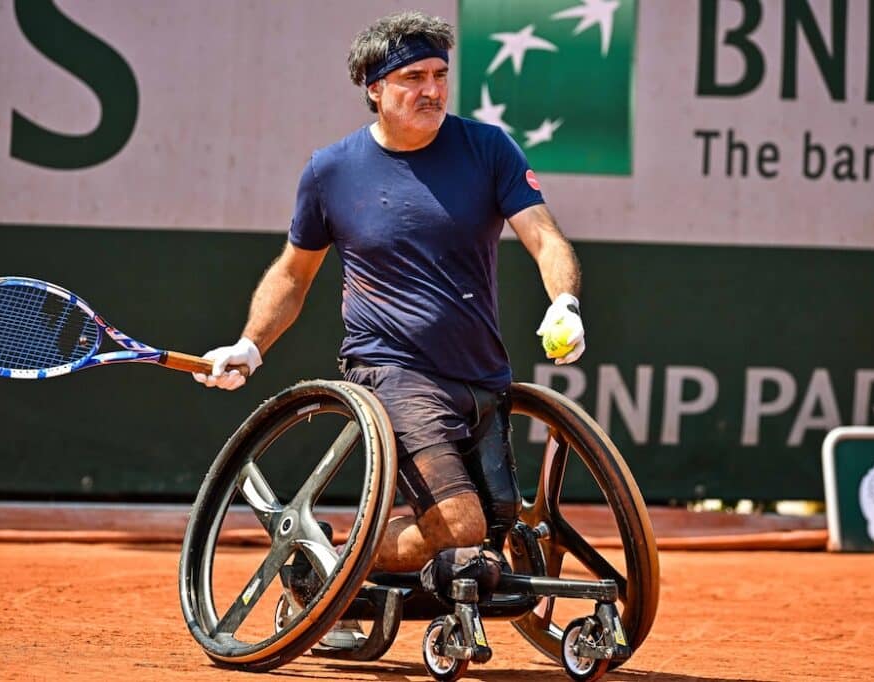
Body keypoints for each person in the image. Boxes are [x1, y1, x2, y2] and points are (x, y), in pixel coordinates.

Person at [193, 9, 584, 645]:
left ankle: (342, 561)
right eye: (411, 77)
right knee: (461, 532)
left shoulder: (488, 149)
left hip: (483, 373)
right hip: (391, 370)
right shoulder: (331, 171)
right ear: (373, 88)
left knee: (497, 523)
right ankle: (328, 568)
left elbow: (543, 237)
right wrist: (249, 344)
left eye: (439, 74)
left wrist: (563, 301)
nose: (431, 89)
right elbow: (294, 276)